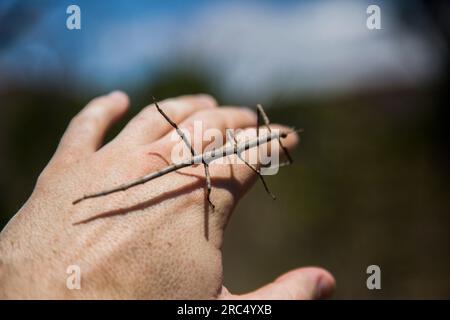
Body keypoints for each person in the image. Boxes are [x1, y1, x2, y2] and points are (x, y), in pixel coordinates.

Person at [0, 92, 335, 299]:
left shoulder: (241, 153)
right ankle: (93, 199)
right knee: (135, 187)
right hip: (196, 162)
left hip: (208, 161)